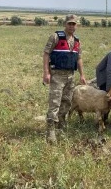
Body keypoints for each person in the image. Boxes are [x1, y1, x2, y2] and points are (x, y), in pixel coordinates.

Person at [42, 14, 87, 144]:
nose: (72, 26)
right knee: (55, 102)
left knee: (67, 102)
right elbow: (46, 54)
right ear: (65, 24)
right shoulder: (56, 37)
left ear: (76, 25)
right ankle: (50, 131)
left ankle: (61, 125)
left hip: (70, 76)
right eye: (69, 23)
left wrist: (82, 75)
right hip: (57, 75)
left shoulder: (77, 41)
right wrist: (46, 72)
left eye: (74, 24)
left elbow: (79, 58)